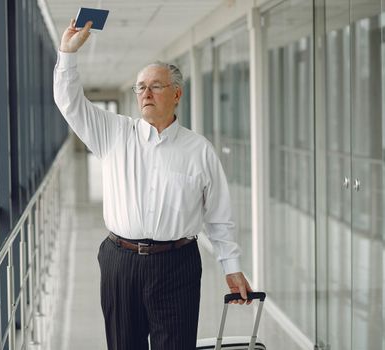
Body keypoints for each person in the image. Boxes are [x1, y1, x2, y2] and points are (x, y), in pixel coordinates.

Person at [54, 19, 253, 350]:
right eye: (140, 87)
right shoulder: (114, 133)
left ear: (177, 94)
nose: (145, 93)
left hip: (177, 264)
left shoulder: (198, 149)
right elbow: (70, 102)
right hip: (121, 261)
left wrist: (231, 267)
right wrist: (67, 54)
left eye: (155, 86)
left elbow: (218, 216)